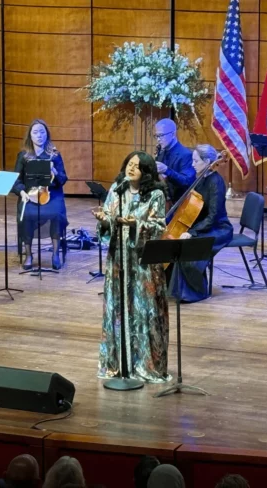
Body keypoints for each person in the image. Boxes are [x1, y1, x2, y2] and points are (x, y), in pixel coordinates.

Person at [93, 151, 171, 383]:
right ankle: (119, 365)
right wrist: (104, 221)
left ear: (146, 171)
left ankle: (145, 365)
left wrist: (136, 224)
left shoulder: (155, 194)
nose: (131, 168)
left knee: (145, 311)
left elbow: (159, 226)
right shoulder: (116, 189)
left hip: (143, 263)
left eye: (137, 166)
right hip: (119, 261)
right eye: (129, 163)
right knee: (118, 310)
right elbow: (109, 217)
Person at [169, 144, 233, 302]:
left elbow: (213, 217)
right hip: (204, 226)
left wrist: (192, 232)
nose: (192, 164)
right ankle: (176, 289)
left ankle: (197, 292)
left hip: (218, 229)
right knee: (175, 244)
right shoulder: (200, 178)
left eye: (196, 161)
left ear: (208, 162)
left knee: (189, 249)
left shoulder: (215, 182)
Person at [12, 119, 68, 270]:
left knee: (57, 214)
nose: (39, 135)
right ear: (30, 136)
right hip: (29, 196)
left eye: (42, 132)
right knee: (26, 214)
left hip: (51, 195)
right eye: (35, 132)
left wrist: (54, 171)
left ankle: (55, 254)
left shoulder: (54, 155)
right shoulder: (23, 156)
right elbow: (16, 180)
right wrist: (22, 192)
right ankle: (29, 255)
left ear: (47, 134)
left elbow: (63, 179)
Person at [154, 118, 195, 204]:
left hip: (178, 203)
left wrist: (167, 170)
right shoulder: (161, 152)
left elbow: (187, 182)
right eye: (156, 136)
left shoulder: (185, 154)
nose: (158, 139)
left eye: (161, 135)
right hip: (163, 202)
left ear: (173, 134)